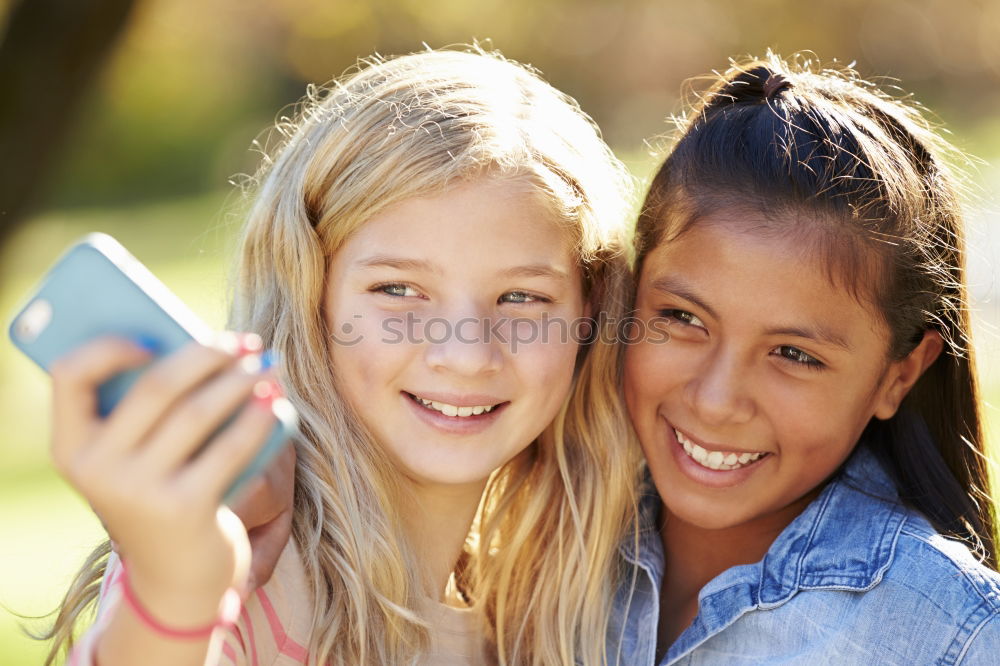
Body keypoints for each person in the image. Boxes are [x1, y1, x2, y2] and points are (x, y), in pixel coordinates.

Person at [44, 47, 641, 665]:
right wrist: (173, 594)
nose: (466, 353)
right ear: (312, 296)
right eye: (398, 290)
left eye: (521, 297)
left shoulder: (546, 620)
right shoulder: (239, 567)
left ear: (589, 313)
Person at [615, 53, 1000, 664]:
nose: (715, 400)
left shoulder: (953, 637)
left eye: (793, 354)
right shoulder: (537, 538)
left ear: (899, 376)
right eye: (683, 319)